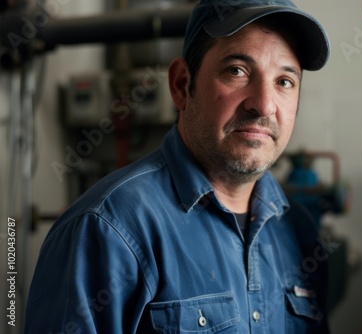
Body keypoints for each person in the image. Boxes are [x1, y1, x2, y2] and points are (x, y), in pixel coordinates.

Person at [25, 0, 332, 332]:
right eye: (237, 71)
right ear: (182, 85)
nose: (264, 104)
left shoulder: (297, 232)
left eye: (285, 81)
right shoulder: (107, 229)